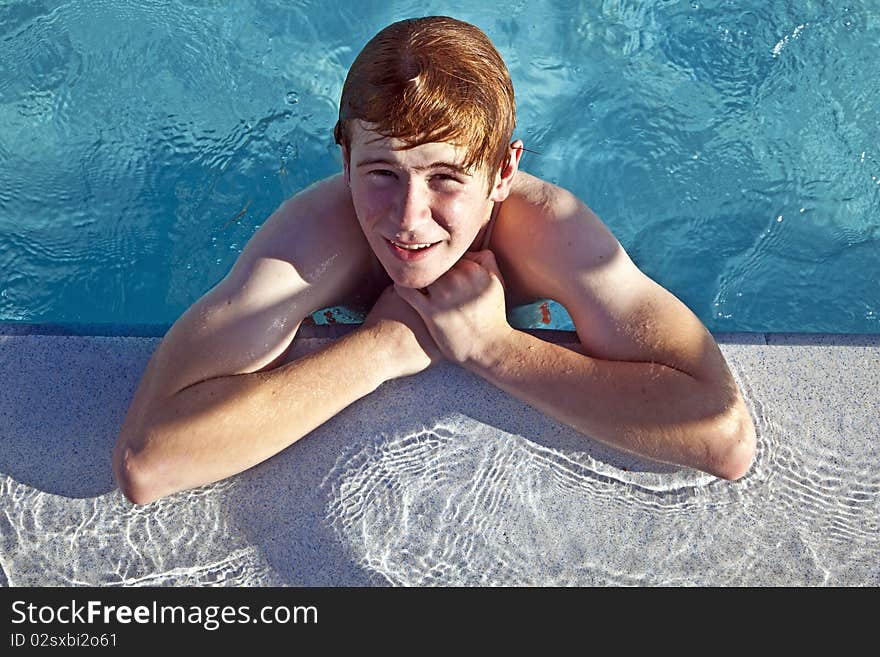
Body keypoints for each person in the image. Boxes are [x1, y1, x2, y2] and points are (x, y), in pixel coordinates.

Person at [112, 16, 756, 505]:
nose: (407, 218)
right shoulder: (313, 237)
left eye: (445, 177)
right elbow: (149, 462)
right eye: (381, 173)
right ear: (344, 162)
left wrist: (495, 349)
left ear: (503, 171)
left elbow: (724, 436)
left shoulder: (550, 232)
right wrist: (380, 351)